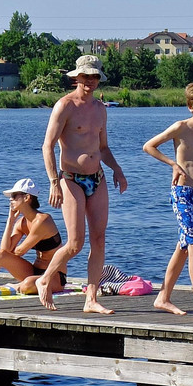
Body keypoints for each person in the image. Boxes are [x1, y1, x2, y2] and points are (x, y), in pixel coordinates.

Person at [36, 54, 128, 313]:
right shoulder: (64, 106)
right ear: (76, 77)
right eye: (85, 76)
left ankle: (91, 298)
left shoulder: (100, 109)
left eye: (94, 76)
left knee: (99, 240)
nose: (90, 81)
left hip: (96, 178)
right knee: (75, 243)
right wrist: (54, 182)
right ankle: (45, 279)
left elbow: (103, 147)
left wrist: (118, 171)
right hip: (71, 179)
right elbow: (47, 146)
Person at [143, 80, 193, 321]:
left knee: (184, 246)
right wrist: (173, 164)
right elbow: (149, 146)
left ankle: (163, 297)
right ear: (190, 106)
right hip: (182, 192)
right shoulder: (180, 127)